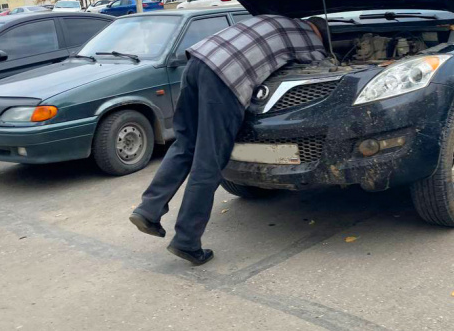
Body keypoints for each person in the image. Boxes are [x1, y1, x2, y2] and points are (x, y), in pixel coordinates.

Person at [129, 15, 328, 265]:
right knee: (209, 160)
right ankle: (186, 240)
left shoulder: (272, 19)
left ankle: (148, 209)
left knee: (185, 143)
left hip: (197, 62)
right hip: (223, 80)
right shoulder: (307, 33)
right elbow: (320, 62)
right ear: (318, 32)